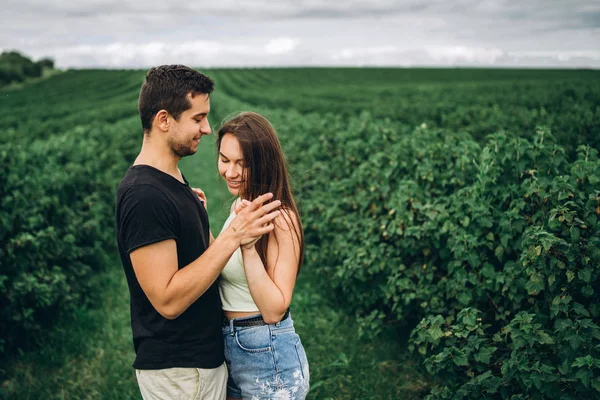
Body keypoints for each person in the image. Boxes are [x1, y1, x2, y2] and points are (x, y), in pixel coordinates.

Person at [115, 65, 281, 400]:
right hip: (180, 371)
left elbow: (193, 261)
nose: (206, 128)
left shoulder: (172, 180)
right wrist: (232, 237)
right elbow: (168, 300)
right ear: (164, 120)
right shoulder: (144, 194)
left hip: (197, 364)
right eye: (197, 118)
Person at [213, 111, 310, 399]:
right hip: (232, 346)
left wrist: (248, 247)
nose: (230, 172)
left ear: (263, 163)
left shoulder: (281, 219)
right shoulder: (239, 208)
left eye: (242, 164)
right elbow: (222, 265)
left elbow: (275, 309)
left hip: (267, 353)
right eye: (225, 159)